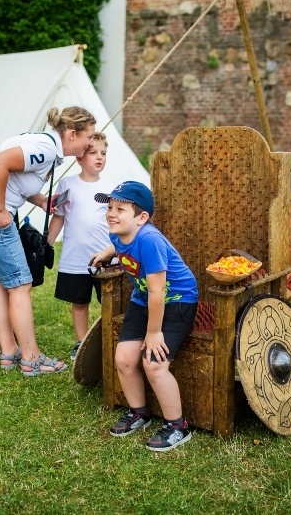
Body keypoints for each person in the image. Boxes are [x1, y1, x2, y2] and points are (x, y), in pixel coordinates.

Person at [0, 106, 96, 376]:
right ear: (71, 134)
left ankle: (9, 353)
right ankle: (31, 359)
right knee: (21, 285)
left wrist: (42, 200)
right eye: (88, 136)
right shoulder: (45, 149)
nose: (90, 142)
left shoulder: (46, 148)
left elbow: (16, 178)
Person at [90, 181, 199, 452]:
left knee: (154, 364)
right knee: (124, 359)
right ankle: (139, 413)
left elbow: (158, 292)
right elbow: (120, 246)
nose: (111, 214)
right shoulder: (117, 233)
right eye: (110, 207)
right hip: (143, 300)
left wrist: (153, 332)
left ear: (141, 218)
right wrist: (107, 252)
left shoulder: (150, 240)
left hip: (177, 301)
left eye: (120, 209)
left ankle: (178, 426)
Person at [47, 132, 115, 360]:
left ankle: (110, 340)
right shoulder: (67, 184)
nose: (99, 157)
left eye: (103, 153)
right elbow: (59, 217)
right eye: (93, 153)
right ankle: (82, 342)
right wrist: (46, 242)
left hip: (104, 258)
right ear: (79, 158)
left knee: (109, 300)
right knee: (79, 302)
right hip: (76, 259)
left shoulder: (111, 188)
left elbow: (116, 222)